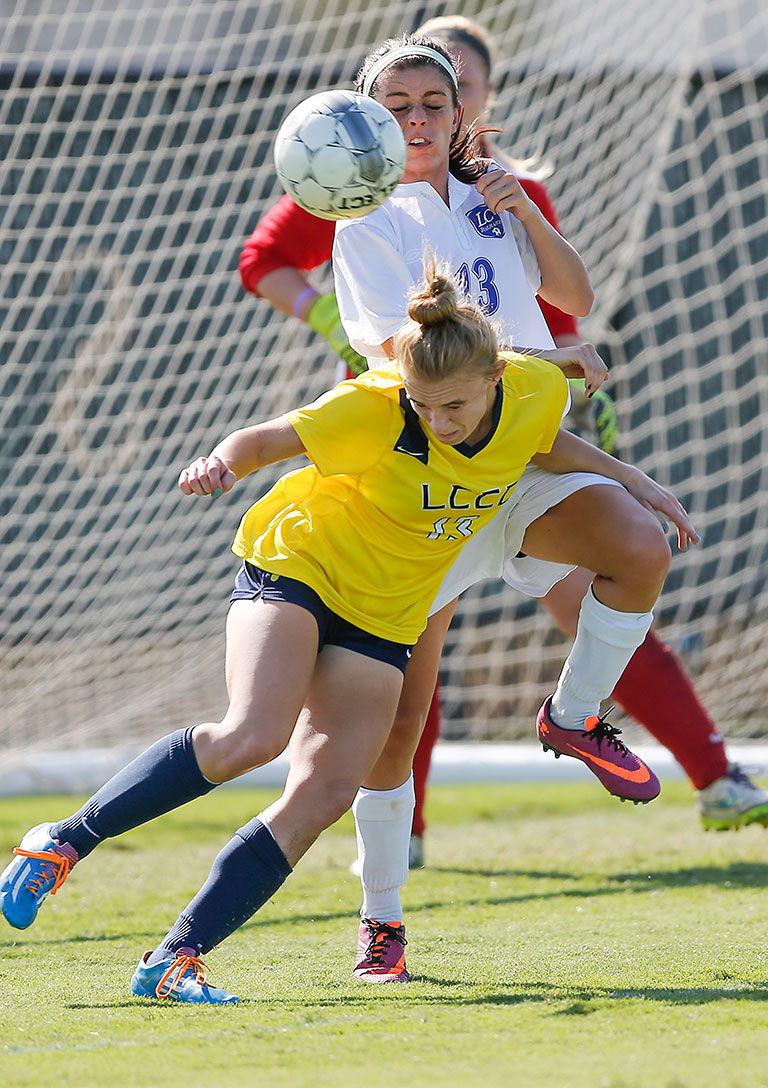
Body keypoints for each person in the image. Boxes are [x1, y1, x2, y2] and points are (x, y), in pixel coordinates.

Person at [0, 264, 699, 1004]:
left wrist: (634, 481)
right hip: (300, 566)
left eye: (457, 404)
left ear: (496, 377)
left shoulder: (532, 387)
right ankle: (65, 840)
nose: (443, 422)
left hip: (386, 613)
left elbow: (540, 444)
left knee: (327, 791)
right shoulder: (377, 406)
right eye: (427, 407)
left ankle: (175, 959)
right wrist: (220, 465)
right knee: (252, 738)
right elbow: (265, 439)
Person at [239, 21, 768, 874]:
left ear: (462, 112)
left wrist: (522, 212)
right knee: (404, 707)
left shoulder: (497, 192)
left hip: (525, 451)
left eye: (434, 103)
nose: (417, 118)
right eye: (397, 104)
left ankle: (580, 717)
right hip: (429, 471)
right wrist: (547, 360)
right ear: (371, 117)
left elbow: (575, 294)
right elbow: (403, 361)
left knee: (638, 544)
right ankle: (385, 910)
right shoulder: (361, 217)